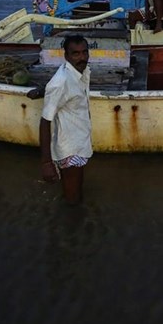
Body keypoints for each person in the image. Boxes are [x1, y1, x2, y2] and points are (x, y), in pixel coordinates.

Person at [40, 34, 92, 206]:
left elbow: (63, 91)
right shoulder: (60, 83)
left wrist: (42, 91)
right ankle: (71, 227)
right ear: (66, 56)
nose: (82, 57)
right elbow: (45, 122)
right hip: (70, 148)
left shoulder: (83, 71)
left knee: (77, 190)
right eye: (76, 54)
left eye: (85, 52)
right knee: (73, 199)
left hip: (80, 141)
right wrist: (47, 163)